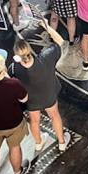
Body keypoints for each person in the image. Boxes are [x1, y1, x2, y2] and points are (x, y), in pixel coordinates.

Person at [14, 20, 71, 152]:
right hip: (48, 95)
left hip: (32, 100)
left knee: (34, 121)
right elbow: (61, 42)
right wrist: (47, 26)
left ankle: (39, 143)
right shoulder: (46, 58)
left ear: (18, 56)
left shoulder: (15, 68)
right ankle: (62, 142)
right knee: (55, 116)